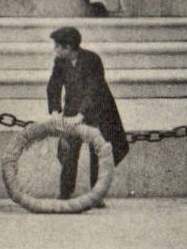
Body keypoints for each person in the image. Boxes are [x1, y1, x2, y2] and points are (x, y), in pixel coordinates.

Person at [47, 26, 129, 202]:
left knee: (96, 153)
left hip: (97, 111)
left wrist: (81, 115)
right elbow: (54, 85)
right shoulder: (60, 62)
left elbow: (94, 90)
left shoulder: (92, 60)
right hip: (72, 110)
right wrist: (55, 110)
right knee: (69, 150)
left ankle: (96, 195)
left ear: (68, 48)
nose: (55, 50)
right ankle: (65, 193)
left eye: (57, 46)